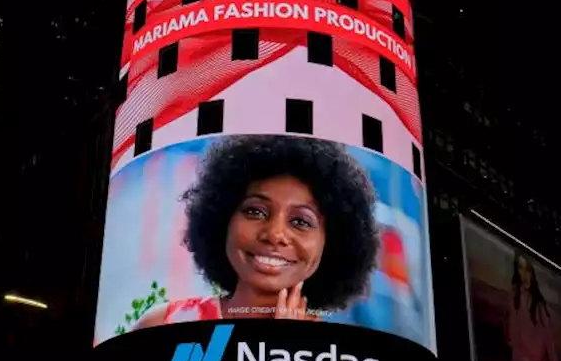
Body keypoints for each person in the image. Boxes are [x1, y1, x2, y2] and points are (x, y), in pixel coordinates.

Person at [136, 135, 379, 327]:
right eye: (255, 212)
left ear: (332, 242)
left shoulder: (337, 357)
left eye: (301, 222)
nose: (274, 234)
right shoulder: (163, 325)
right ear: (223, 220)